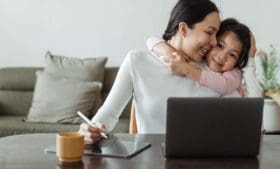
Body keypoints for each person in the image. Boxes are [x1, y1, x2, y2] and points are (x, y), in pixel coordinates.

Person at [79, 0, 260, 145]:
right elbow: (108, 115)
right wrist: (90, 131)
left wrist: (250, 61)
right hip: (149, 162)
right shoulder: (138, 62)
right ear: (183, 29)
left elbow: (251, 121)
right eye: (209, 32)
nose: (214, 43)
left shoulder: (214, 72)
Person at [147, 18, 251, 95]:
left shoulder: (234, 74)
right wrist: (170, 52)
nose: (222, 56)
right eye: (219, 45)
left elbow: (224, 85)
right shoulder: (197, 58)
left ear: (238, 61)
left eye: (232, 55)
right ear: (212, 41)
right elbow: (152, 40)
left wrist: (187, 69)